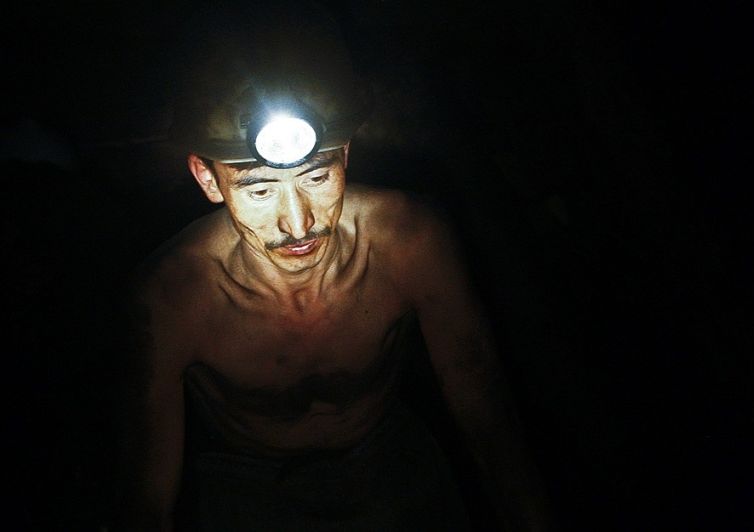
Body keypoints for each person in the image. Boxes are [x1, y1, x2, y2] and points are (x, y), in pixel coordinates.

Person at [112, 2, 553, 531]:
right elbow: (144, 496)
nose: (298, 225)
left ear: (344, 155)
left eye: (316, 179)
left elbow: (482, 402)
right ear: (208, 179)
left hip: (390, 458)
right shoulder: (172, 296)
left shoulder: (410, 240)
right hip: (248, 486)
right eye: (258, 189)